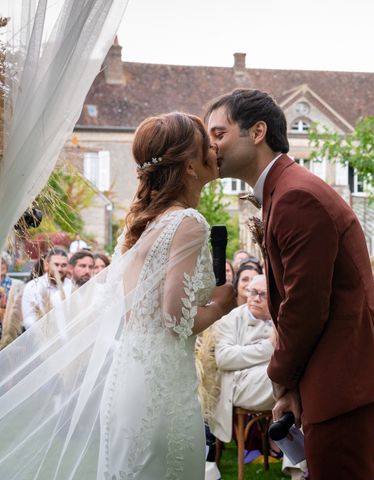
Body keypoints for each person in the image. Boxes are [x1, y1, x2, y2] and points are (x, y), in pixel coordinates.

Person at [0, 112, 237, 479]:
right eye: (207, 143)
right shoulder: (187, 222)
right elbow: (175, 319)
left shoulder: (142, 227)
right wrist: (221, 304)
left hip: (129, 379)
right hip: (161, 388)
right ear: (190, 166)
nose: (215, 148)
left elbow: (134, 313)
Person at [206, 89, 374, 479]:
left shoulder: (297, 196)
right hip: (335, 371)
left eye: (218, 133)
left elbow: (305, 305)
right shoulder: (285, 190)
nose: (210, 145)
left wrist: (280, 378)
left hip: (344, 375)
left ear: (257, 131)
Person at [210, 275, 304, 478]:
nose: (255, 298)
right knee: (290, 378)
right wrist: (268, 347)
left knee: (296, 381)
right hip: (239, 385)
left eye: (262, 294)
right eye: (252, 292)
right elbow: (224, 358)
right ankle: (299, 465)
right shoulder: (231, 318)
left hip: (271, 383)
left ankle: (298, 463)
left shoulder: (283, 320)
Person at [20, 247, 72, 329]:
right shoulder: (33, 286)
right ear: (47, 265)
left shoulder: (71, 286)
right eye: (56, 265)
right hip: (41, 337)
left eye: (64, 265)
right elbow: (28, 319)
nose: (59, 269)